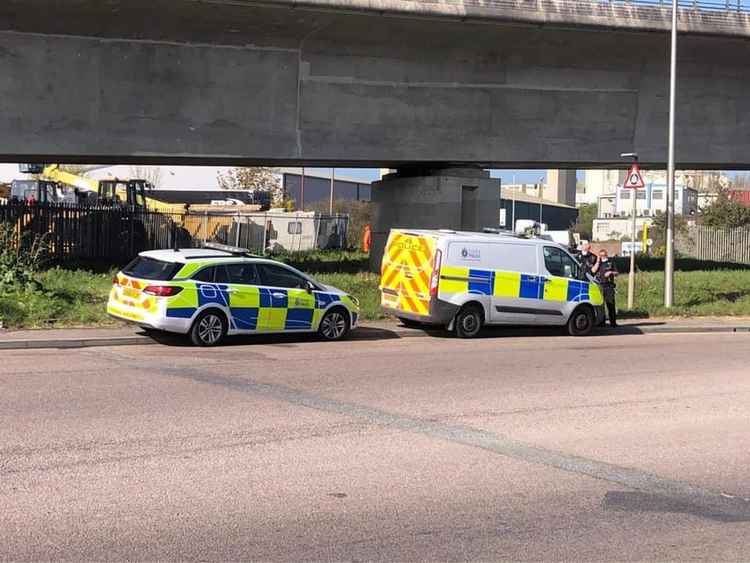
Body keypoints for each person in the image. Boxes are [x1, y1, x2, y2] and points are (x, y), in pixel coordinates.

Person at [592, 248, 617, 327]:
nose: (603, 257)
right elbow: (593, 271)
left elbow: (617, 273)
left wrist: (611, 272)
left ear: (606, 255)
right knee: (600, 305)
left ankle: (613, 323)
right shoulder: (597, 263)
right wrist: (598, 261)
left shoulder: (611, 263)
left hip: (609, 286)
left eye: (604, 255)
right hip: (599, 286)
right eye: (601, 255)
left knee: (611, 305)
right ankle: (601, 323)